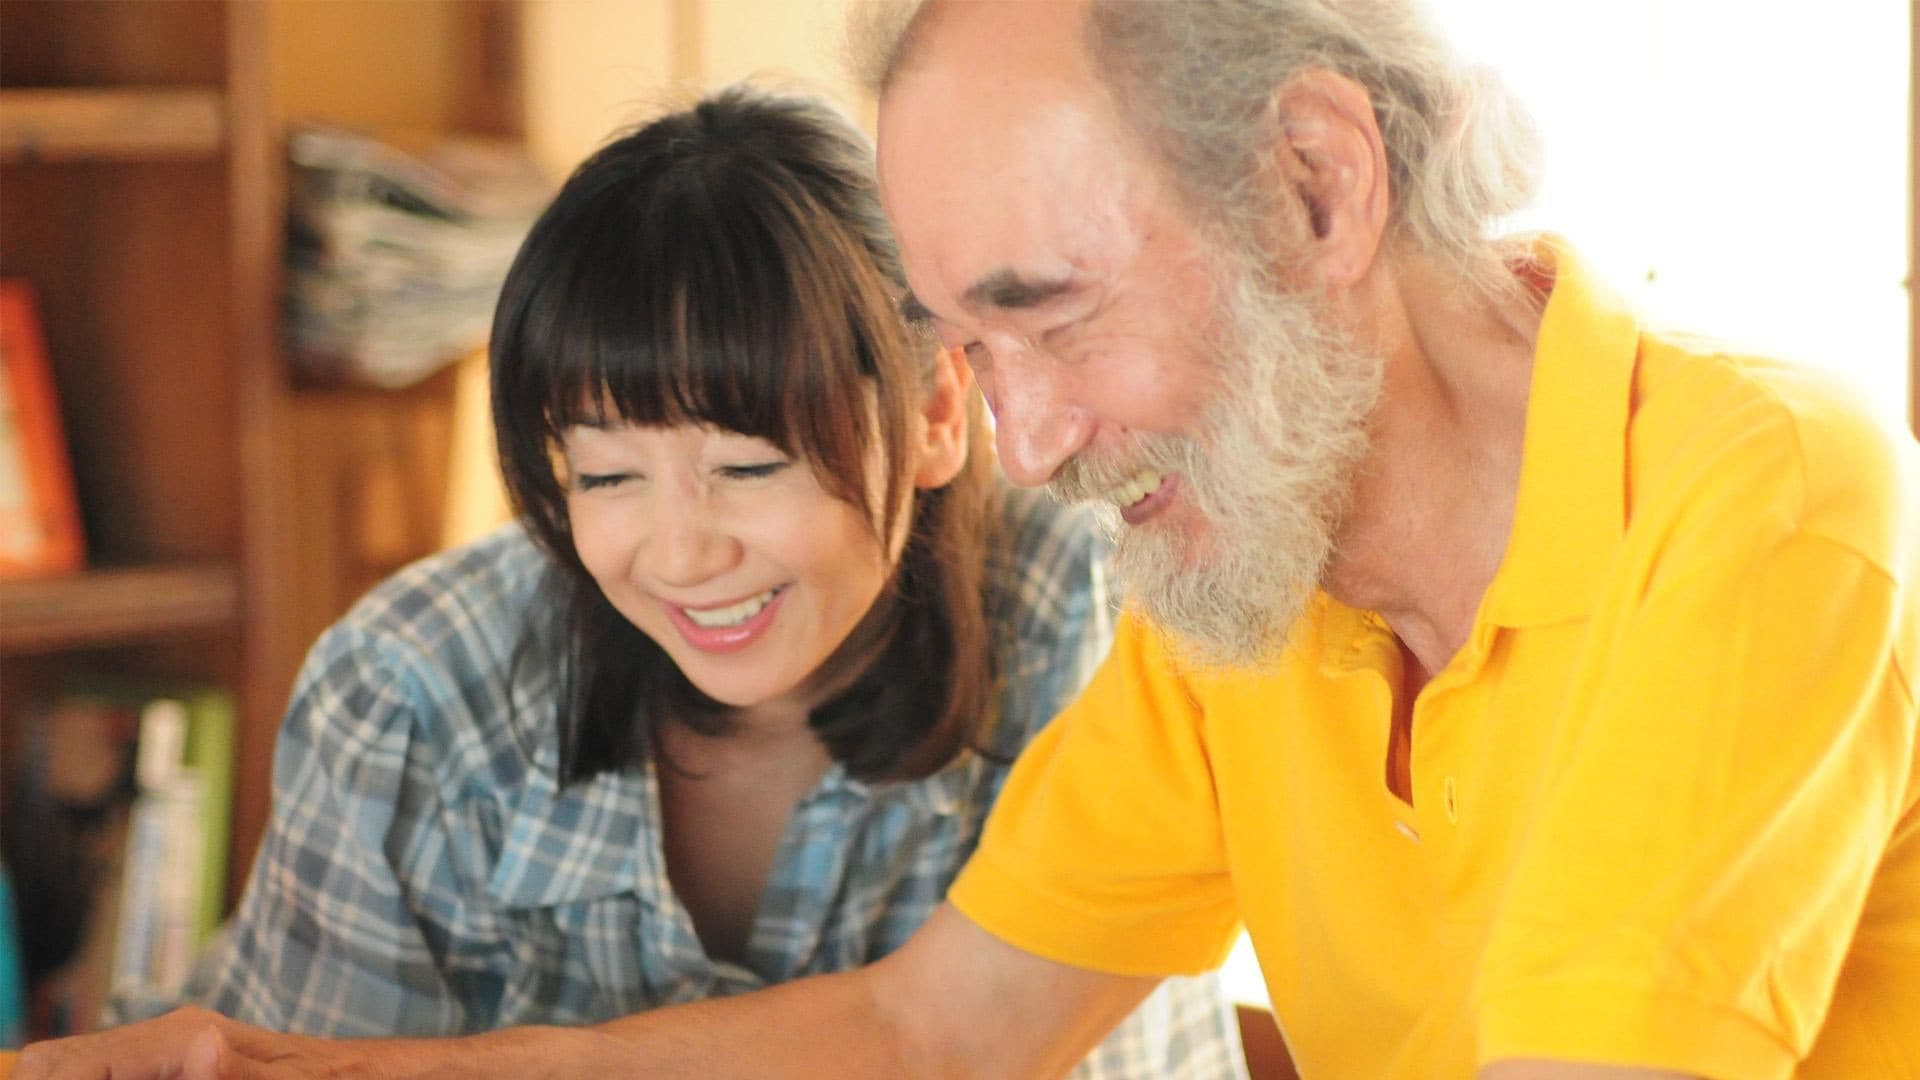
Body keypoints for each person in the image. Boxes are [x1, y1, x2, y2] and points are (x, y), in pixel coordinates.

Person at [20, 1, 1920, 1078]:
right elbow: (934, 1034)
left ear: (1319, 186)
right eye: (969, 346)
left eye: (1055, 313)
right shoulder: (1242, 568)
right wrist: (289, 1075)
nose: (1019, 443)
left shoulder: (1763, 501)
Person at [16, 84, 1245, 1078]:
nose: (679, 552)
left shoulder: (1107, 633)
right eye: (605, 479)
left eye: (747, 465)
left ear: (934, 410)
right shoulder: (417, 688)